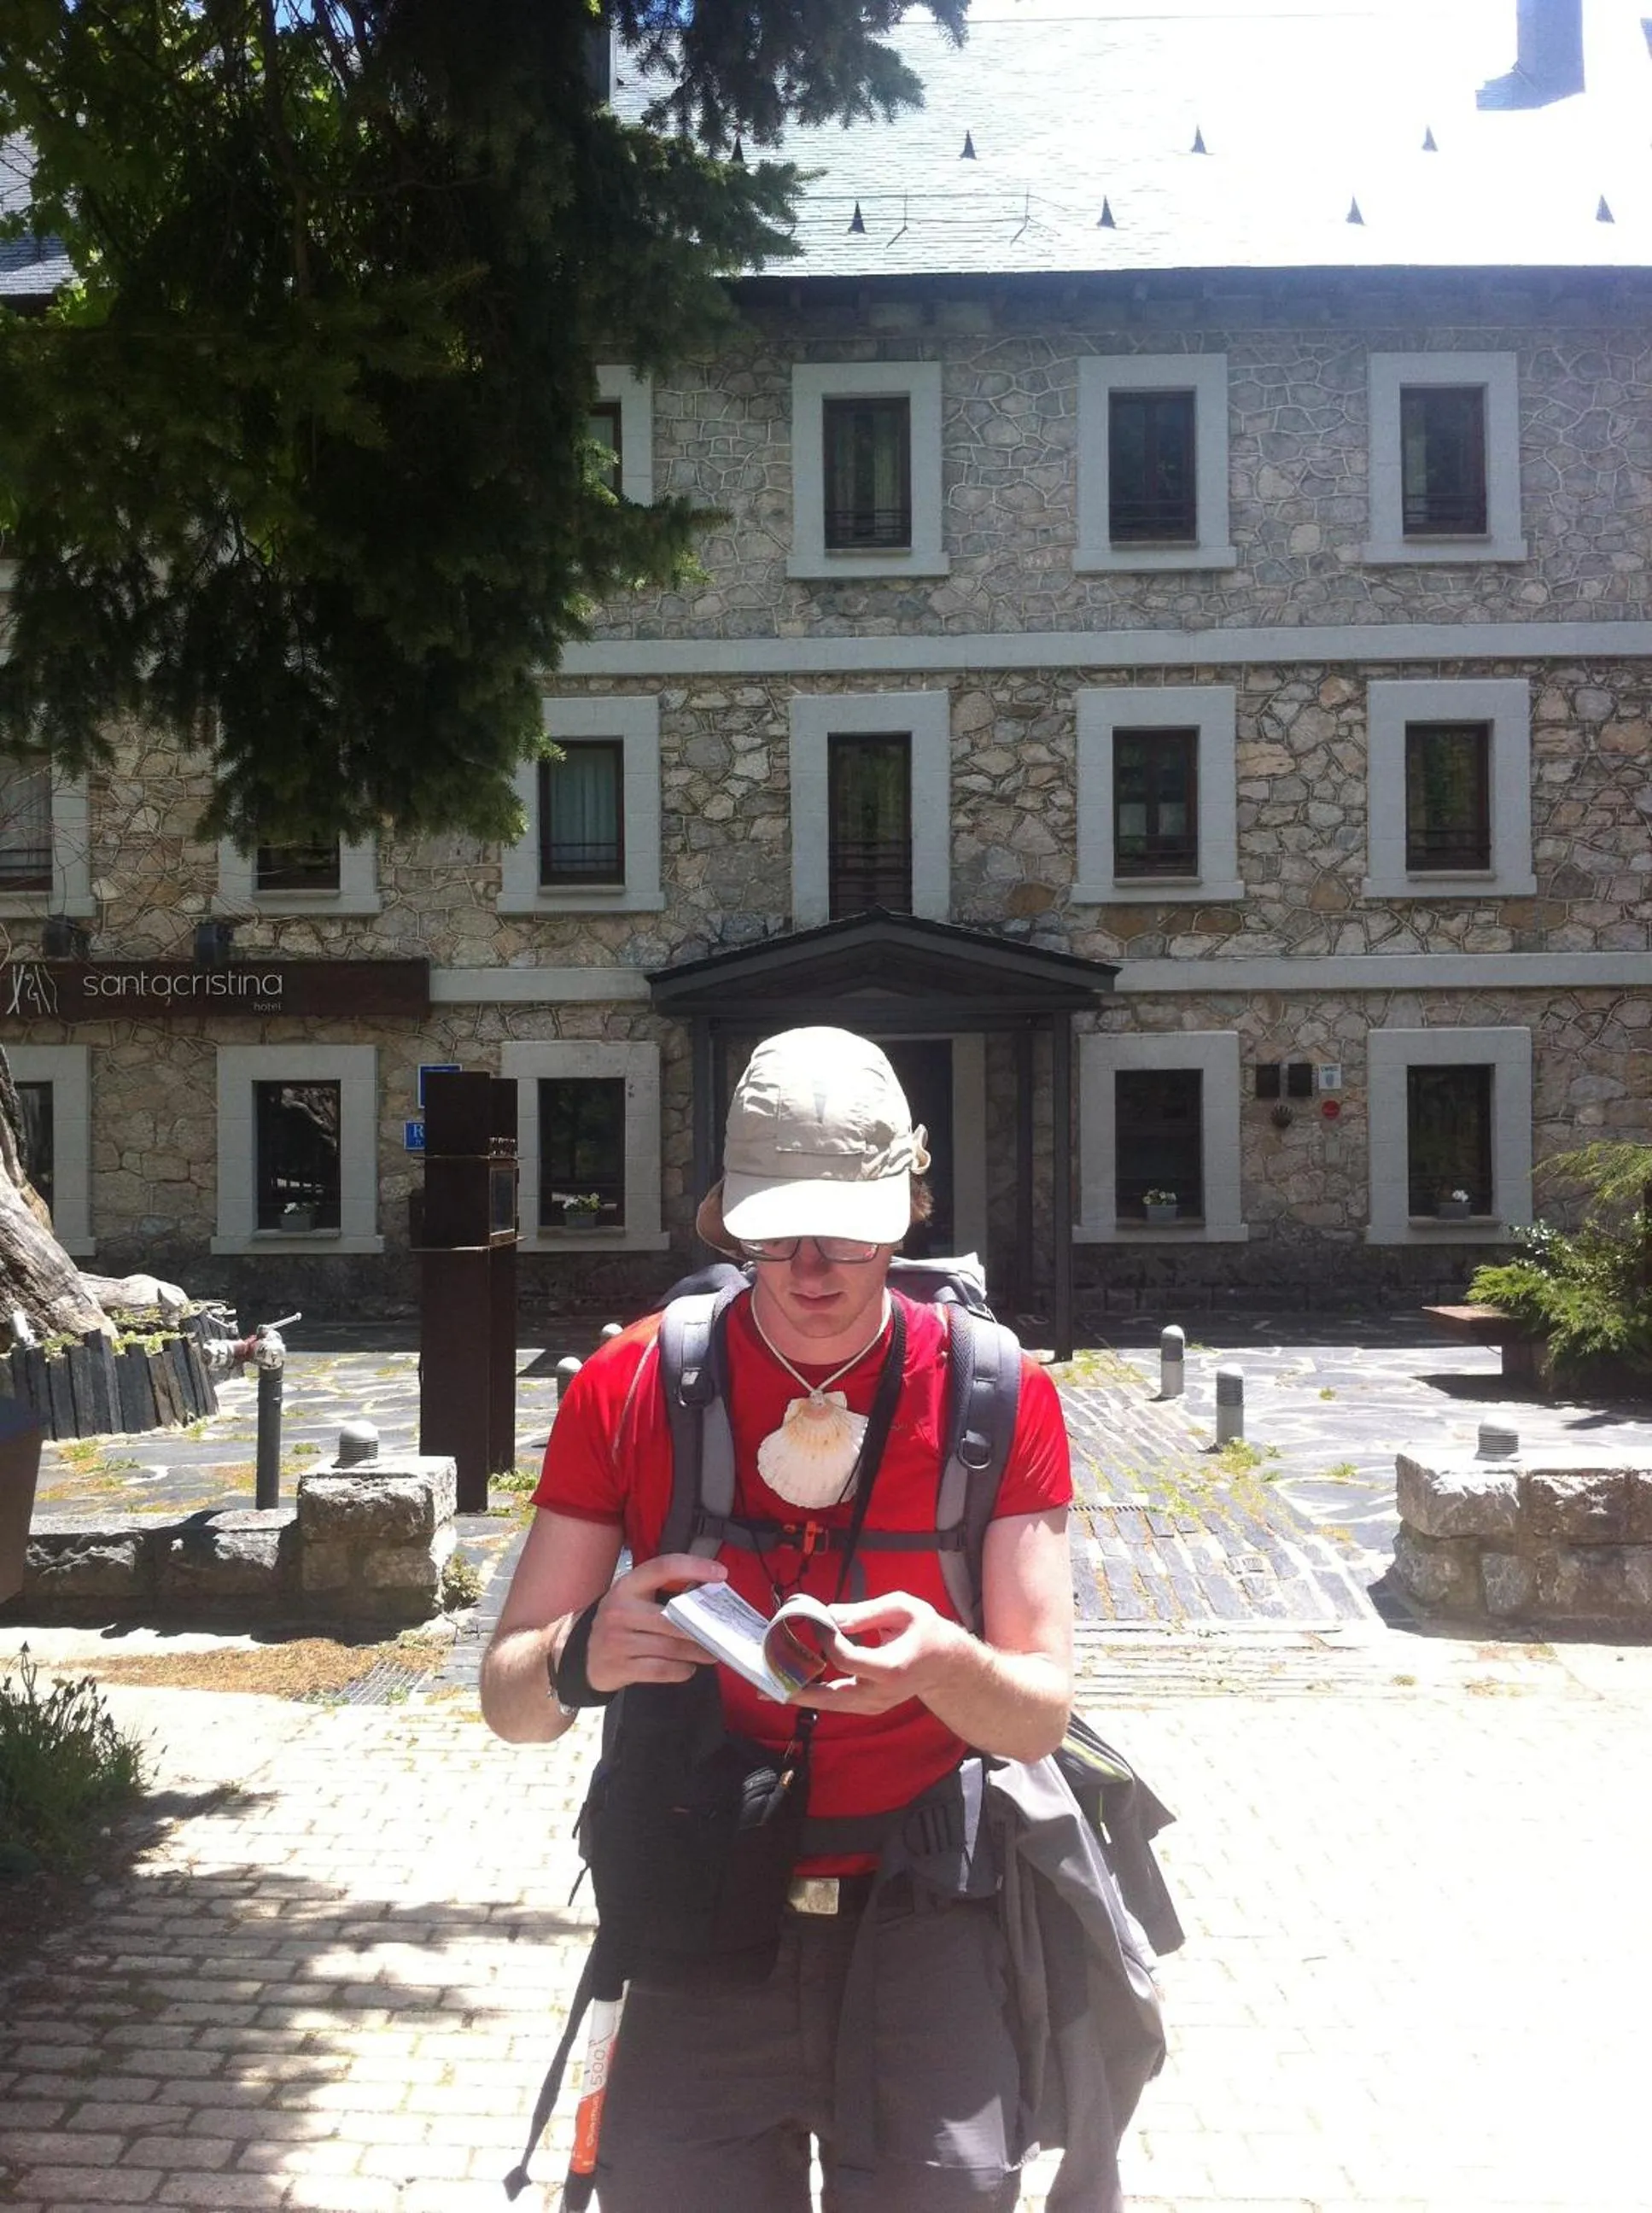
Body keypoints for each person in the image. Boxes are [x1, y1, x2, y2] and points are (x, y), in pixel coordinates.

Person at [481, 1025, 1076, 2211]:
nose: (811, 1269)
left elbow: (1035, 1717)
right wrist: (581, 1657)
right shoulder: (632, 1386)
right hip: (701, 1893)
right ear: (727, 1221)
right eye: (773, 1229)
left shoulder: (998, 1394)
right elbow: (507, 1699)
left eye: (847, 1229)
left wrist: (947, 1664)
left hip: (924, 1913)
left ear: (910, 1208)